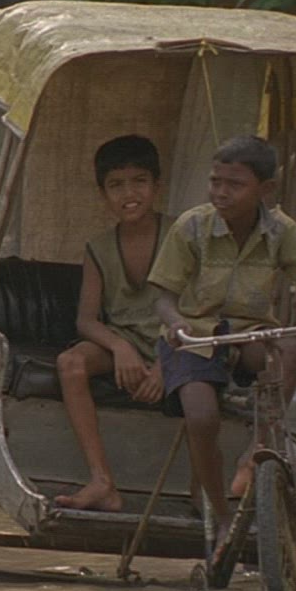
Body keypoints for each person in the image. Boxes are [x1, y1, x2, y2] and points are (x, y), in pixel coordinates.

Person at [149, 135, 296, 548]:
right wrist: (177, 323)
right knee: (202, 418)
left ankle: (255, 452)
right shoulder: (192, 226)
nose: (221, 192)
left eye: (234, 184)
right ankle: (220, 514)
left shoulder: (280, 230)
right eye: (215, 181)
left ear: (265, 190)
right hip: (194, 337)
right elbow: (163, 296)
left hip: (250, 335)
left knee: (290, 350)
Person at [54, 135, 171, 512]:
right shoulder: (99, 247)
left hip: (178, 342)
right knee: (70, 363)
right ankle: (102, 481)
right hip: (124, 342)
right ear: (103, 194)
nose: (129, 194)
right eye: (116, 185)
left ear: (156, 185)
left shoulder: (180, 236)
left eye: (139, 181)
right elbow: (86, 320)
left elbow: (200, 313)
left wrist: (166, 364)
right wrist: (120, 347)